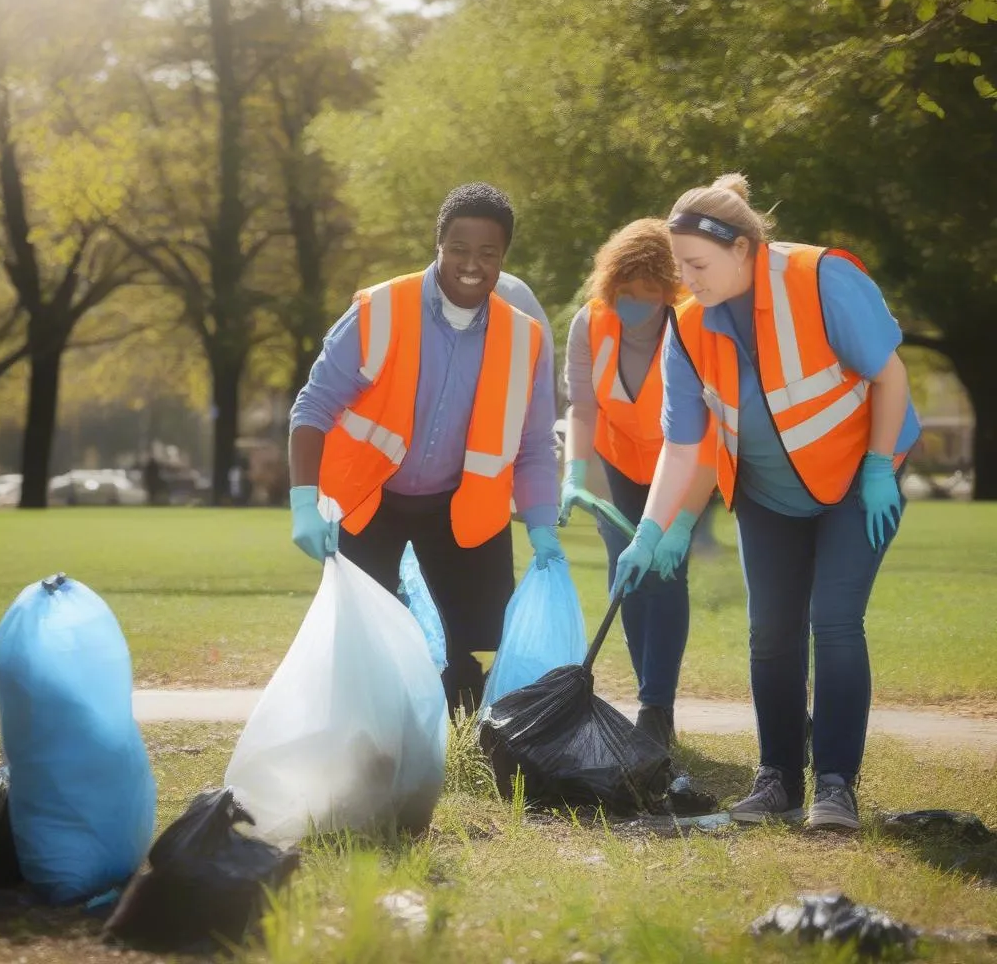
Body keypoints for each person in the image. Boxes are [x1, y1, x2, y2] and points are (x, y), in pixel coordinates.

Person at [613, 174, 920, 830]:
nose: (687, 280)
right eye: (680, 266)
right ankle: (777, 778)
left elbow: (890, 374)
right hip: (769, 495)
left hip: (858, 485)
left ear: (746, 248)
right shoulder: (688, 329)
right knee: (770, 635)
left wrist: (877, 468)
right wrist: (650, 531)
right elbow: (683, 445)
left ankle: (834, 785)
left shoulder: (822, 279)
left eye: (698, 265)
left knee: (833, 622)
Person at [288, 182, 563, 716]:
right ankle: (367, 735)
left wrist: (543, 526)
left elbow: (531, 445)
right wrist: (303, 501)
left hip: (460, 507)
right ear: (438, 245)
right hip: (371, 500)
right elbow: (313, 407)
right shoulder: (381, 309)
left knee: (473, 648)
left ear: (504, 259)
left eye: (488, 253)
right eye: (458, 249)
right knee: (362, 644)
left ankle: (457, 734)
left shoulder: (525, 338)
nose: (471, 264)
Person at [560, 218, 717, 750]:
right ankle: (646, 698)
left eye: (652, 296)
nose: (637, 307)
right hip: (615, 462)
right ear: (611, 286)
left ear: (670, 293)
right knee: (625, 572)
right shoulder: (591, 323)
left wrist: (682, 524)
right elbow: (582, 406)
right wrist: (575, 476)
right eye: (627, 294)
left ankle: (657, 708)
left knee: (665, 576)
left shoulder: (694, 326)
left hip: (680, 468)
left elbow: (707, 434)